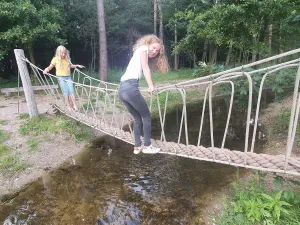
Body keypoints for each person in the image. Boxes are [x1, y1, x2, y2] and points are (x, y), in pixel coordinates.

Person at [118, 34, 169, 154]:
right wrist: (151, 86)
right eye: (153, 47)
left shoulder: (139, 52)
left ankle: (137, 147)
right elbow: (146, 68)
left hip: (122, 90)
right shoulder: (143, 49)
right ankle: (147, 146)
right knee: (146, 116)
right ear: (148, 43)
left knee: (137, 118)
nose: (154, 51)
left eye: (157, 51)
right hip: (130, 87)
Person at [43, 45, 84, 112]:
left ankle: (74, 105)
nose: (64, 54)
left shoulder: (66, 58)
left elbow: (70, 66)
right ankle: (68, 106)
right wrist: (46, 70)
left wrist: (77, 65)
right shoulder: (55, 59)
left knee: (72, 90)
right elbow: (50, 67)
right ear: (58, 52)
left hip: (68, 77)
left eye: (65, 53)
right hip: (61, 77)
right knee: (66, 92)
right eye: (62, 53)